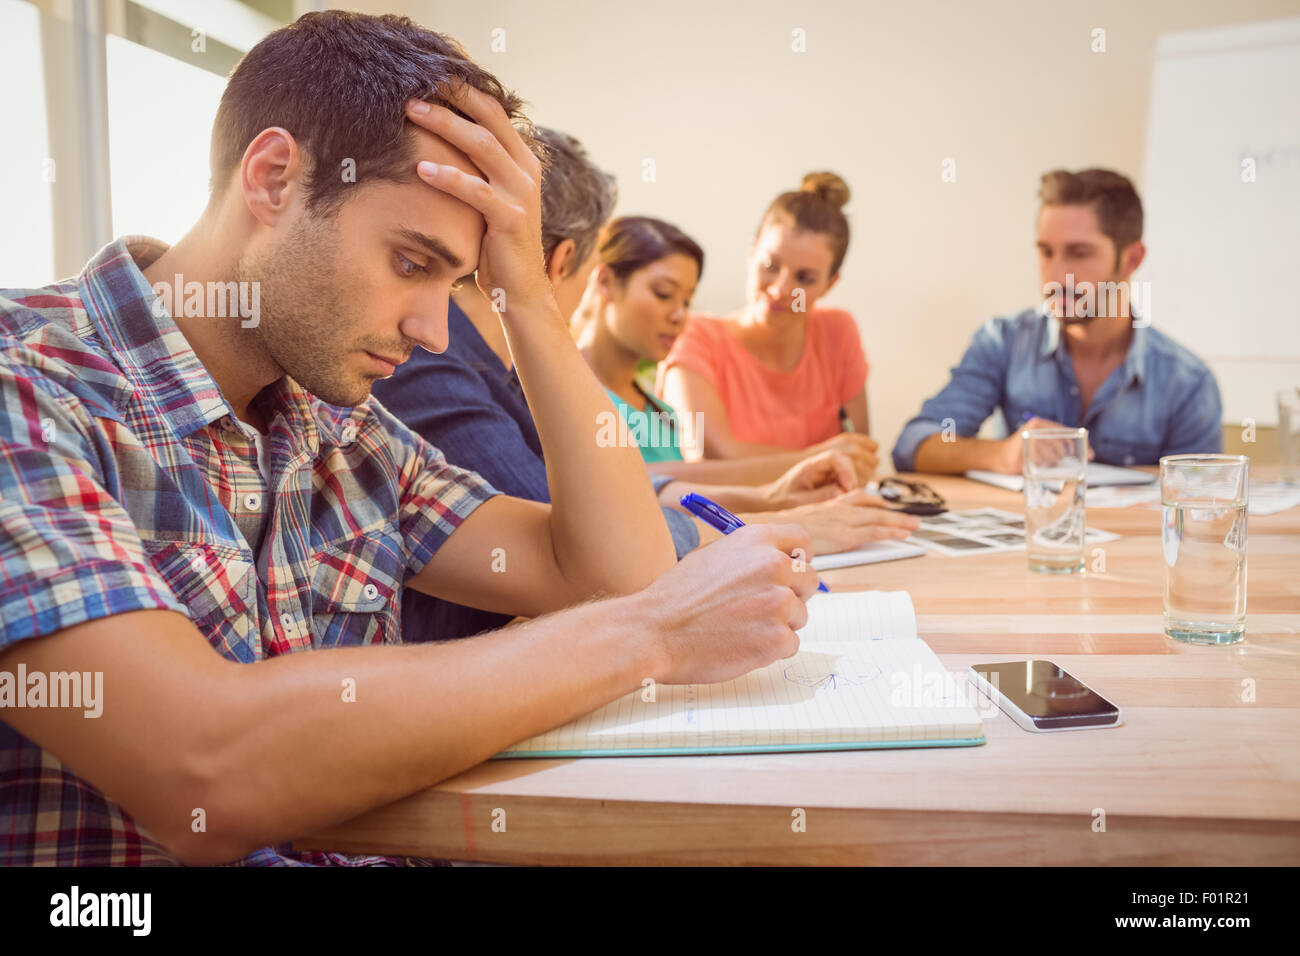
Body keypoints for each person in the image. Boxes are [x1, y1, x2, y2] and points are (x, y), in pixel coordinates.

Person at [0, 11, 820, 867]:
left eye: (459, 280)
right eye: (411, 261)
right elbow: (203, 766)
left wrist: (528, 299)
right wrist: (649, 634)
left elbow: (613, 572)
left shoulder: (341, 424)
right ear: (275, 179)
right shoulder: (28, 384)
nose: (436, 331)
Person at [375, 147, 915, 642]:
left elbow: (624, 490)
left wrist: (768, 500)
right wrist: (760, 525)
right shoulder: (434, 363)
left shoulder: (496, 372)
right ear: (563, 264)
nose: (678, 315)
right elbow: (589, 540)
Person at [892, 168, 1223, 475]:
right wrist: (1002, 454)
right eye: (1046, 252)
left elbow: (1200, 505)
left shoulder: (1187, 383)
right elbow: (914, 443)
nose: (1056, 276)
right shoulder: (1003, 342)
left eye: (1079, 253)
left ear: (1131, 259)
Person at [658, 172, 878, 478]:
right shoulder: (695, 337)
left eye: (805, 278)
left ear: (830, 284)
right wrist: (826, 459)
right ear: (751, 252)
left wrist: (842, 461)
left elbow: (860, 456)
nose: (780, 289)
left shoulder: (838, 331)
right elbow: (715, 453)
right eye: (770, 266)